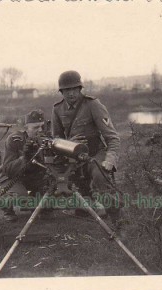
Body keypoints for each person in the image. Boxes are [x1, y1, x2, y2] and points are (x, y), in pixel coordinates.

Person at [51, 70, 124, 231]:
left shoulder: (93, 105)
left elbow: (112, 137)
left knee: (100, 177)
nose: (71, 93)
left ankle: (117, 222)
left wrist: (109, 160)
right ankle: (85, 207)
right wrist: (69, 143)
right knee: (56, 177)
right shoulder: (57, 109)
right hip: (72, 156)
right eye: (67, 90)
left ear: (80, 89)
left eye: (74, 89)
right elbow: (55, 140)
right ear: (61, 92)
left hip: (94, 154)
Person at [0, 110, 49, 222]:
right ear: (26, 128)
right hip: (11, 177)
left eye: (42, 127)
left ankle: (33, 203)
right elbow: (8, 169)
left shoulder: (45, 139)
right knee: (20, 197)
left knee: (50, 200)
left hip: (32, 177)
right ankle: (7, 207)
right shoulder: (15, 140)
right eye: (35, 128)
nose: (40, 130)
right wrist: (24, 158)